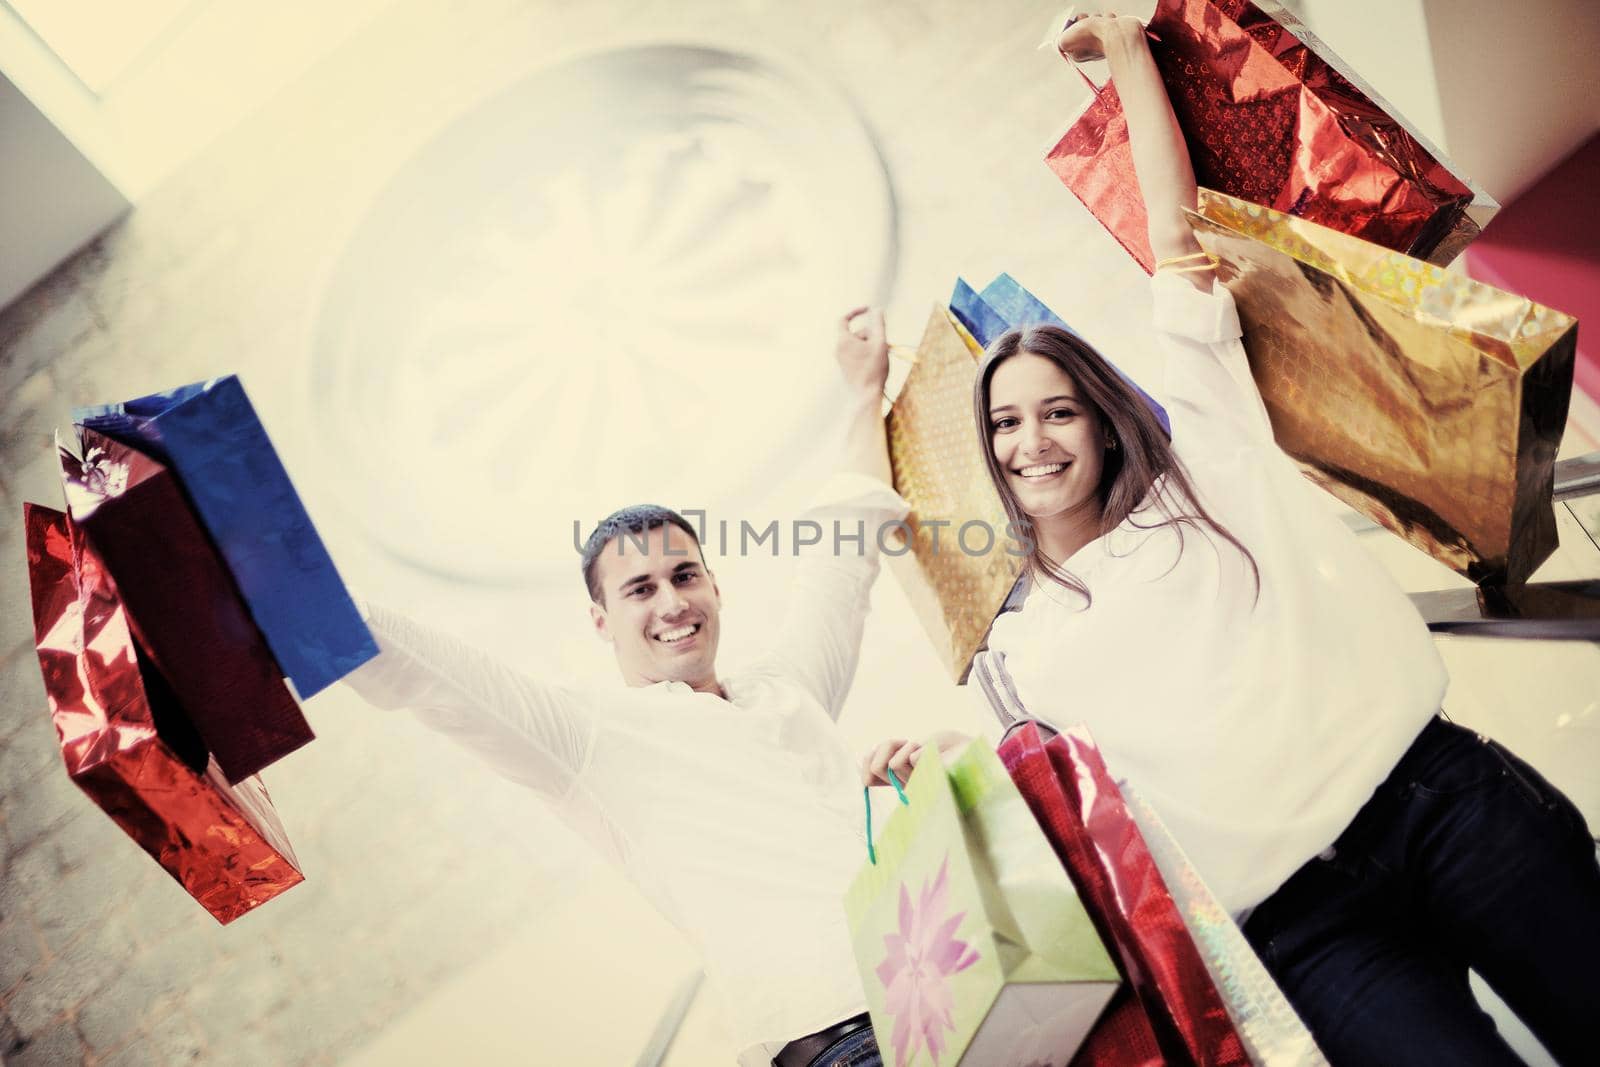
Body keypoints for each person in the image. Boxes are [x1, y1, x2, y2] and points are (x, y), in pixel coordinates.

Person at [863, 12, 1600, 1066]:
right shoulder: (1020, 643)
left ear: (1102, 412)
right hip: (1307, 931)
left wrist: (1127, 55)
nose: (1031, 438)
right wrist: (938, 759)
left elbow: (1176, 241)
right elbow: (903, 555)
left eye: (1056, 407)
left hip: (1437, 804)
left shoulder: (1203, 463)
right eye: (1003, 421)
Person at [345, 306, 904, 1067]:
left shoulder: (788, 684)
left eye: (684, 575)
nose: (672, 603)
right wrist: (270, 576)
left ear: (715, 585)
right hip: (849, 1044)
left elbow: (847, 540)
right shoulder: (589, 738)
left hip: (959, 984)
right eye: (639, 589)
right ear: (602, 620)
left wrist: (862, 391)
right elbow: (422, 666)